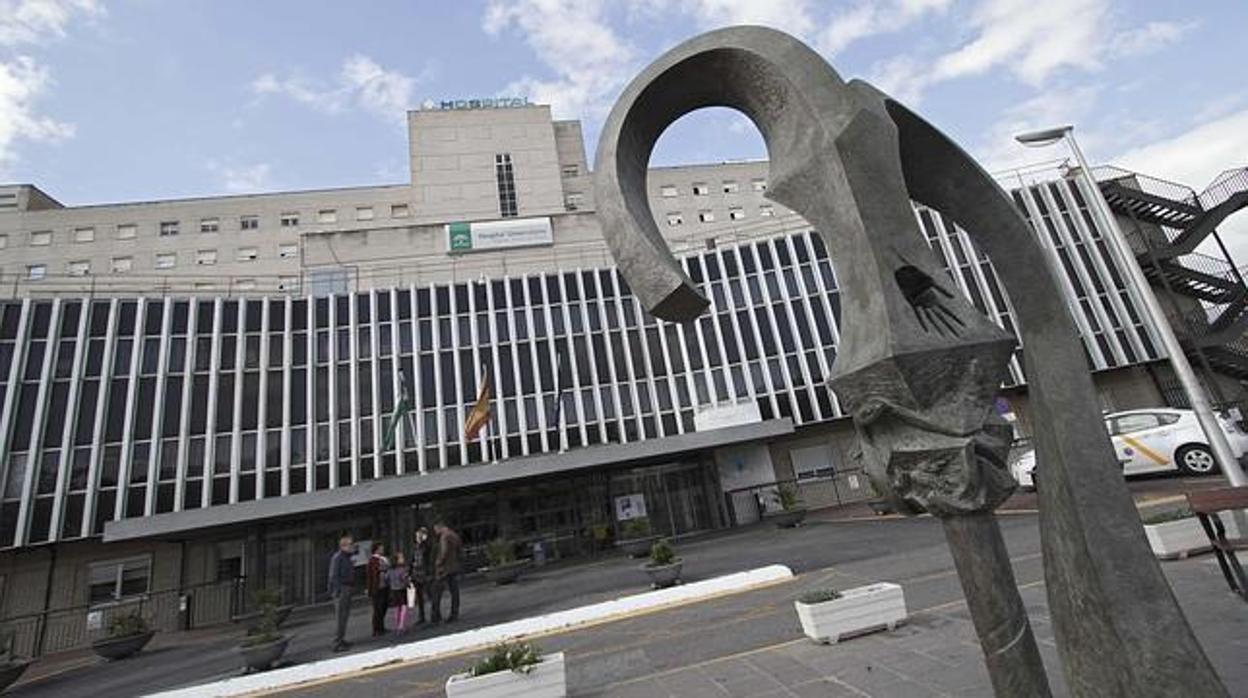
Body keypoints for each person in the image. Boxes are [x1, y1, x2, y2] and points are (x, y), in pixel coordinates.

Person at [327, 534, 356, 652]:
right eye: (350, 544)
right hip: (341, 590)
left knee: (345, 617)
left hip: (347, 588)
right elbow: (333, 575)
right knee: (341, 617)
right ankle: (336, 643)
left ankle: (341, 639)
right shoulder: (338, 557)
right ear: (343, 546)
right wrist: (337, 591)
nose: (352, 546)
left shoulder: (347, 557)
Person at [430, 522, 462, 624]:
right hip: (453, 566)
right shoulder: (454, 535)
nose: (435, 532)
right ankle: (454, 613)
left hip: (444, 569)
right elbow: (459, 549)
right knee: (454, 591)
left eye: (436, 529)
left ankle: (435, 616)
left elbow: (444, 551)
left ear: (440, 528)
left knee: (436, 591)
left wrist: (439, 562)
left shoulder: (444, 537)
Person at [409, 527, 433, 625]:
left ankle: (435, 614)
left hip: (425, 573)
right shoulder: (415, 547)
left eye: (419, 536)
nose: (417, 538)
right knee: (419, 597)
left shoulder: (426, 546)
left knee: (429, 594)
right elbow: (412, 560)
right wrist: (410, 573)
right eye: (416, 536)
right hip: (416, 574)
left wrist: (424, 541)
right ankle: (421, 616)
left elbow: (428, 555)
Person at [365, 541, 390, 636]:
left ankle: (381, 626)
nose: (382, 549)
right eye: (381, 548)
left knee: (384, 606)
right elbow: (370, 575)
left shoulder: (384, 559)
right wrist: (370, 588)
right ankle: (376, 629)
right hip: (377, 587)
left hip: (385, 585)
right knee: (377, 608)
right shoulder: (372, 560)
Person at [385, 552, 411, 634]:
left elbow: (386, 578)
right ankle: (402, 625)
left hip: (393, 590)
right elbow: (404, 578)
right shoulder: (402, 570)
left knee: (397, 607)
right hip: (401, 589)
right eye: (401, 558)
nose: (403, 559)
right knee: (404, 606)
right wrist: (408, 583)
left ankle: (397, 625)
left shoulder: (390, 570)